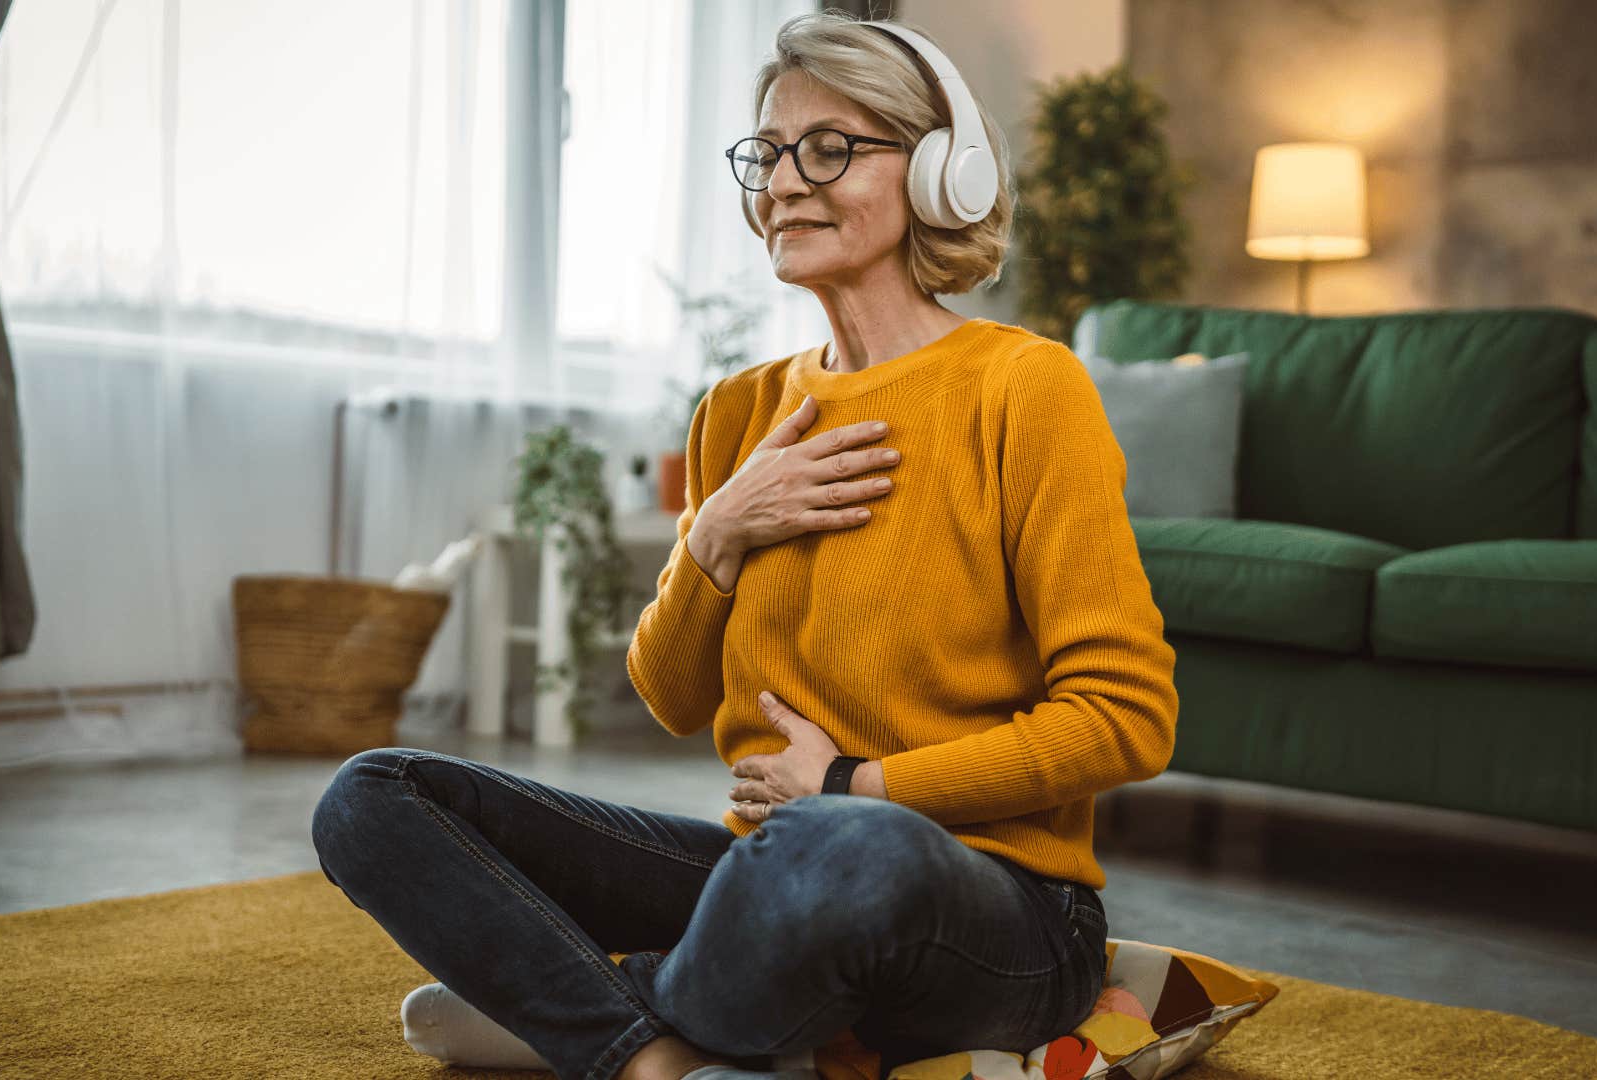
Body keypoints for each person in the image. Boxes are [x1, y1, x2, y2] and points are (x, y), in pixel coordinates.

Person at [310, 13, 1178, 1080]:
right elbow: (670, 695)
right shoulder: (739, 412)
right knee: (373, 794)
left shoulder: (1023, 386)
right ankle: (649, 1056)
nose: (785, 183)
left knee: (844, 847)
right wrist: (717, 532)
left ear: (940, 172)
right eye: (769, 153)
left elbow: (1127, 719)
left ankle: (578, 1014)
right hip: (773, 873)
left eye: (830, 149)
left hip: (994, 904)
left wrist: (857, 784)